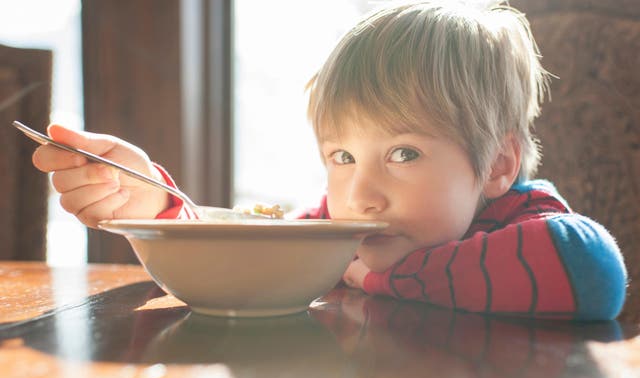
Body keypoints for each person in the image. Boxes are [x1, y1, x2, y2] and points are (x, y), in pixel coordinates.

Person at [32, 0, 627, 320]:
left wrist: (377, 280)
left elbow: (592, 273)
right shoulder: (333, 229)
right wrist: (159, 207)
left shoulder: (523, 219)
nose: (361, 194)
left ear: (496, 166)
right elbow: (248, 261)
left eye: (403, 153)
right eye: (342, 156)